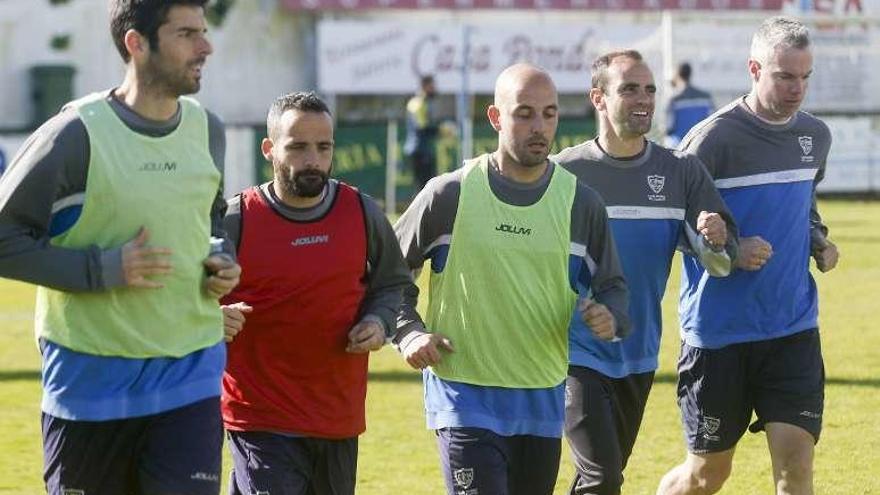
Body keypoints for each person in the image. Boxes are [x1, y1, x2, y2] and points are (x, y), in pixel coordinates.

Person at [0, 1, 240, 493]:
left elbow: (212, 217)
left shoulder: (207, 129)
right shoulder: (74, 134)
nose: (205, 46)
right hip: (89, 385)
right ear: (137, 43)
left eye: (204, 31)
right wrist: (100, 269)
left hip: (189, 374)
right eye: (186, 34)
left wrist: (220, 257)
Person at [393, 63, 631, 495]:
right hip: (463, 395)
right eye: (524, 113)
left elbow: (614, 287)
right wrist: (409, 333)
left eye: (549, 113)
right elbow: (387, 276)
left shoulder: (581, 203)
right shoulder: (449, 195)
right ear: (496, 117)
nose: (539, 127)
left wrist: (609, 317)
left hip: (541, 395)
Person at [657, 17, 838, 495]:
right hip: (719, 335)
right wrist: (732, 251)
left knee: (796, 467)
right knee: (707, 475)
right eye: (784, 76)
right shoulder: (711, 140)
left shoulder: (815, 137)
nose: (797, 88)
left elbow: (805, 204)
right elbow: (674, 228)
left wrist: (818, 238)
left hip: (792, 328)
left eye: (804, 77)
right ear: (754, 69)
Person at [552, 50, 738, 495]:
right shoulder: (563, 174)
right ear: (598, 98)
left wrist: (715, 237)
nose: (644, 98)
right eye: (629, 88)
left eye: (650, 88)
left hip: (639, 350)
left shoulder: (681, 170)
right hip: (572, 351)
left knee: (598, 476)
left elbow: (724, 260)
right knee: (602, 477)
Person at [219, 91, 411, 495]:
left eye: (324, 147)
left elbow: (392, 283)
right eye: (298, 147)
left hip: (336, 417)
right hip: (260, 416)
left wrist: (379, 321)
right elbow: (190, 294)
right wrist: (212, 316)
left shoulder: (361, 212)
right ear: (269, 149)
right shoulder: (237, 218)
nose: (313, 159)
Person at [403, 74, 440, 192]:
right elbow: (422, 128)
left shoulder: (423, 102)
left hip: (424, 149)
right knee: (424, 188)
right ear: (425, 86)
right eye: (432, 86)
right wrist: (441, 130)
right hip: (419, 150)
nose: (435, 88)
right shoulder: (418, 103)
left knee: (427, 186)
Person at [665, 62, 714, 148]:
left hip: (679, 147)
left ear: (677, 75)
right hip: (701, 145)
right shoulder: (706, 97)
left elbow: (668, 128)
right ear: (690, 74)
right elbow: (713, 122)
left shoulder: (674, 100)